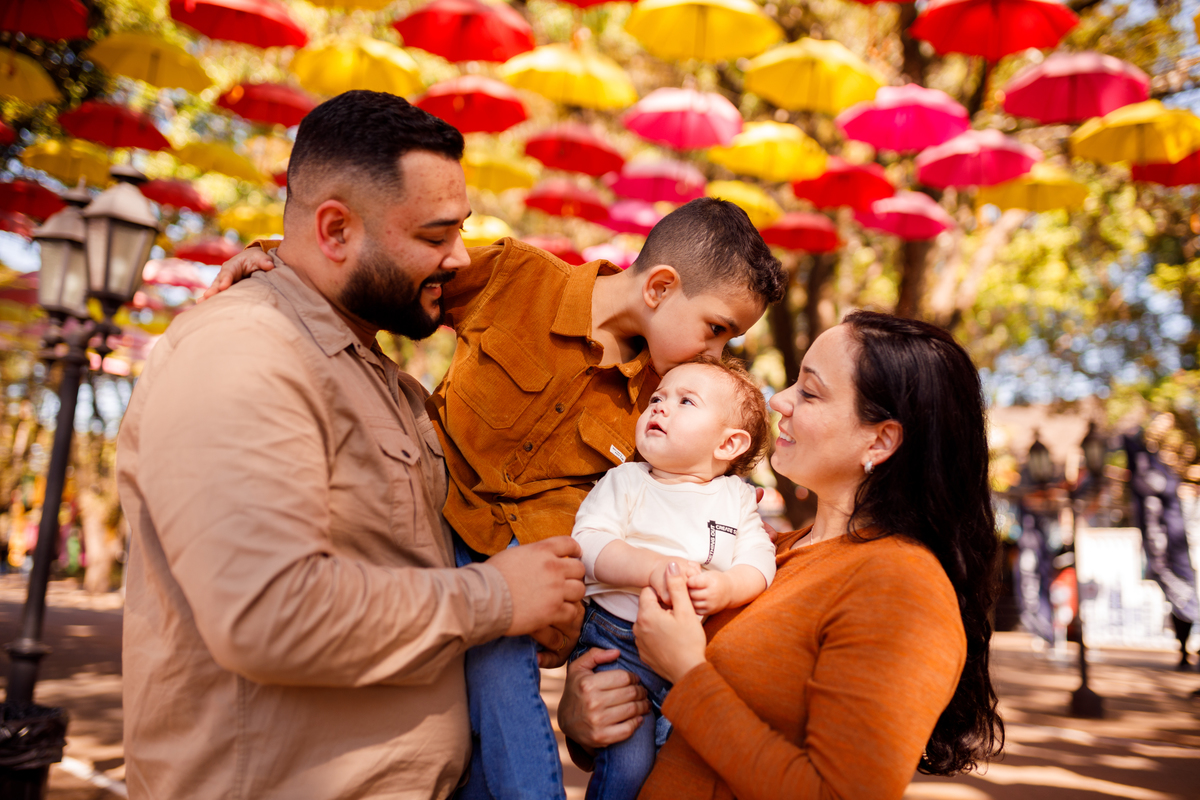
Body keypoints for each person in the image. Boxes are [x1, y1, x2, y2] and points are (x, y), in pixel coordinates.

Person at [213, 197, 788, 799]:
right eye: (716, 329)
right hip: (420, 534)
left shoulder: (664, 405)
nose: (714, 354)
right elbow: (388, 276)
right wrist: (271, 259)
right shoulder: (518, 277)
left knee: (495, 698)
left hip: (517, 579)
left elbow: (628, 525)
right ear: (660, 287)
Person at [116, 91, 587, 800]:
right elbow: (268, 612)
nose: (459, 258)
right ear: (334, 230)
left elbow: (404, 580)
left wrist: (536, 610)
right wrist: (497, 597)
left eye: (461, 230)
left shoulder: (375, 373)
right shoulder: (243, 350)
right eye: (435, 236)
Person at [559, 311, 1005, 799]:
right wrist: (585, 719)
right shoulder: (765, 554)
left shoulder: (901, 586)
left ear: (879, 440)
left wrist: (686, 674)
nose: (780, 400)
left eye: (809, 392)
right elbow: (674, 731)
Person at [569, 356, 777, 800]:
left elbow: (760, 560)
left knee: (677, 761)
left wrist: (725, 588)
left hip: (691, 653)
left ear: (728, 444)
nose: (660, 407)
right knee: (628, 766)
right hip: (617, 644)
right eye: (658, 397)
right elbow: (587, 544)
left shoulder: (736, 499)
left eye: (686, 401)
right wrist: (652, 570)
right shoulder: (627, 480)